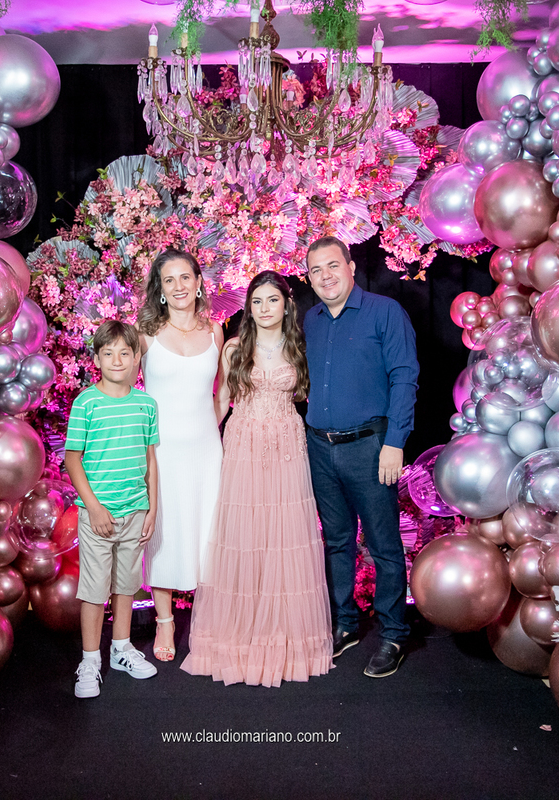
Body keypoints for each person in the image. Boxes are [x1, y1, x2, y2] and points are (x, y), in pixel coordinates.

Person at [181, 271, 333, 686]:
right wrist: (193, 445)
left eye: (272, 300)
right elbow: (221, 402)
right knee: (243, 536)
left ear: (287, 304)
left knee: (285, 536)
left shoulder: (301, 346)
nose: (265, 308)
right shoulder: (234, 347)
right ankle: (238, 636)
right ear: (248, 308)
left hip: (286, 448)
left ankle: (285, 638)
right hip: (243, 445)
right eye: (257, 301)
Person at [304, 236, 419, 679]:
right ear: (309, 278)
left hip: (370, 447)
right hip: (320, 447)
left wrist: (395, 441)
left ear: (351, 267)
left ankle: (394, 634)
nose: (326, 276)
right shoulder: (311, 319)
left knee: (383, 545)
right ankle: (346, 624)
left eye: (333, 265)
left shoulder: (384, 312)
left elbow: (405, 377)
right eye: (316, 270)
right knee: (337, 541)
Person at [64, 320, 161, 698]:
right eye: (108, 353)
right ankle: (90, 659)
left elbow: (150, 460)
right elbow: (73, 459)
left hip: (136, 510)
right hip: (98, 516)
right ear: (97, 359)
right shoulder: (86, 403)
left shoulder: (146, 405)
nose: (117, 360)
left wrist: (151, 508)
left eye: (125, 353)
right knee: (94, 590)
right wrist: (94, 507)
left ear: (137, 358)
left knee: (126, 585)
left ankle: (121, 648)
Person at [138, 248, 225, 661]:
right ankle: (165, 622)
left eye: (185, 277)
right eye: (169, 280)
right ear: (160, 288)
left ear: (198, 282)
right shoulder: (144, 334)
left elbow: (222, 393)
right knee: (165, 533)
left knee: (210, 532)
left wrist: (209, 428)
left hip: (208, 450)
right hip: (161, 452)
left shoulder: (217, 331)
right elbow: (125, 393)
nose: (178, 286)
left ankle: (211, 620)